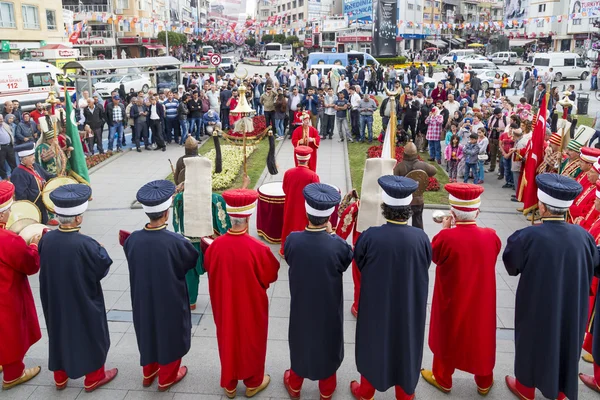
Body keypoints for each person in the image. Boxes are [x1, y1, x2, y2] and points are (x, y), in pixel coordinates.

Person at [503, 173, 598, 400]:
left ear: (542, 207)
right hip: (572, 304)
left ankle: (526, 388)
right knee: (567, 340)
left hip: (536, 302)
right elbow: (595, 263)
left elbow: (511, 266)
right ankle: (561, 390)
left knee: (531, 340)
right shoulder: (584, 236)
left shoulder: (526, 236)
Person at [350, 175, 432, 400]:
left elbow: (359, 262)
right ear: (408, 209)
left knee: (372, 340)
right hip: (408, 304)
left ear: (384, 207)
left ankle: (366, 391)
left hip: (377, 303)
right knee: (407, 342)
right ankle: (405, 393)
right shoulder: (421, 238)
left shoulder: (369, 237)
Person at [421, 183, 501, 395]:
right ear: (478, 211)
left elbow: (434, 256)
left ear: (452, 214)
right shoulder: (491, 235)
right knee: (481, 334)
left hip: (453, 297)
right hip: (481, 298)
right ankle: (484, 381)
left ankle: (443, 378)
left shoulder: (446, 237)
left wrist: (445, 230)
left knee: (447, 332)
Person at [38, 184, 118, 392]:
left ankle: (60, 377)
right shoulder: (86, 243)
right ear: (78, 218)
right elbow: (101, 266)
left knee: (58, 332)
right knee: (91, 332)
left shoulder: (46, 239)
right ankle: (94, 377)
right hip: (82, 298)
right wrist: (100, 248)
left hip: (54, 298)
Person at [204, 188, 280, 398]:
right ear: (248, 217)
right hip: (251, 304)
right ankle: (253, 382)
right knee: (252, 339)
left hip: (225, 303)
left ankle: (229, 384)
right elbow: (271, 274)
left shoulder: (215, 246)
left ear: (229, 217)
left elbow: (208, 266)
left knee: (227, 336)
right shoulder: (259, 248)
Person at [124, 180, 198, 391]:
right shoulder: (176, 241)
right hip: (169, 297)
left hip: (142, 297)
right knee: (171, 333)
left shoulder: (133, 240)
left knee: (147, 329)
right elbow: (190, 261)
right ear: (166, 213)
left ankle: (149, 372)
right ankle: (167, 377)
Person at [283, 183, 353, 400]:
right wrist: (332, 236)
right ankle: (326, 388)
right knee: (328, 338)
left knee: (301, 337)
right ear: (330, 217)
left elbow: (289, 256)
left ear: (306, 212)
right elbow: (345, 260)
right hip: (328, 304)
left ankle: (295, 384)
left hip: (302, 302)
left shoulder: (293, 240)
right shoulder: (338, 245)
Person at [0, 180, 42, 390]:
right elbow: (30, 264)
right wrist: (33, 245)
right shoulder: (7, 239)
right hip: (6, 294)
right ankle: (13, 374)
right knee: (11, 333)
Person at [279, 146, 320, 255]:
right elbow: (315, 195)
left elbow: (285, 189)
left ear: (297, 158)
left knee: (289, 223)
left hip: (290, 205)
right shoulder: (313, 175)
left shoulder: (288, 173)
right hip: (305, 208)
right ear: (309, 158)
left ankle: (286, 248)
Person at [393, 142, 437, 229]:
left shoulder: (399, 167)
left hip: (404, 200)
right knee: (418, 222)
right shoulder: (422, 165)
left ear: (404, 153)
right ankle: (419, 238)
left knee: (401, 223)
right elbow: (434, 170)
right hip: (418, 200)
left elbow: (396, 182)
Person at [10, 142, 55, 224]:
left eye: (33, 155)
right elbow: (21, 195)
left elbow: (47, 176)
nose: (34, 158)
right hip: (31, 209)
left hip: (41, 205)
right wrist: (40, 193)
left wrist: (56, 178)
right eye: (31, 156)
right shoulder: (18, 173)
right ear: (24, 159)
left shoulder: (35, 166)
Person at [0, 114, 16, 180]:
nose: (1, 120)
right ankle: (4, 178)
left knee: (13, 162)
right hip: (1, 148)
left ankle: (15, 176)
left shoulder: (5, 125)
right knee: (1, 164)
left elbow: (10, 133)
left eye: (1, 118)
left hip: (9, 146)